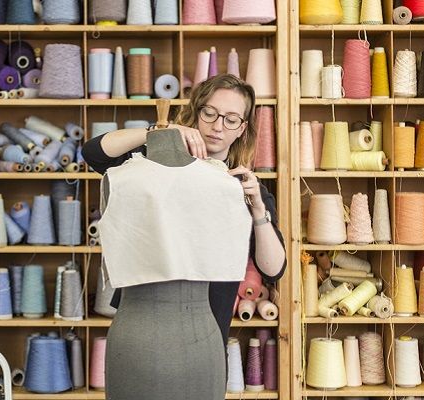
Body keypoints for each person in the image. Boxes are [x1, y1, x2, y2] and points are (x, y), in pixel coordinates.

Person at [82, 74, 287, 399]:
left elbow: (274, 269)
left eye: (231, 118)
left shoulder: (244, 188)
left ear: (242, 128)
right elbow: (94, 153)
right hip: (138, 334)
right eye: (210, 113)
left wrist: (258, 209)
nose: (218, 126)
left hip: (204, 336)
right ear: (196, 111)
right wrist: (160, 133)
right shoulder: (147, 167)